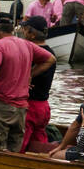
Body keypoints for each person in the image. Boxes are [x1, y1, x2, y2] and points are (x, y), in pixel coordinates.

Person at [0, 16, 55, 152]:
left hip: (2, 106)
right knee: (14, 150)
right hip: (21, 109)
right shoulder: (26, 44)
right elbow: (51, 59)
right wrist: (30, 75)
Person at [18, 16, 56, 153]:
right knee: (39, 144)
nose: (22, 32)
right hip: (43, 107)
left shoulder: (31, 53)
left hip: (30, 106)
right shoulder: (51, 53)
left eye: (25, 30)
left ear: (32, 34)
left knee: (20, 144)